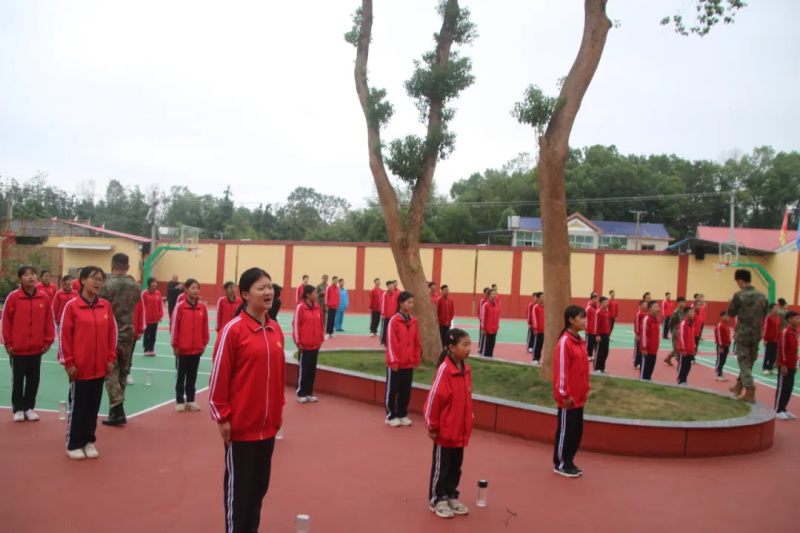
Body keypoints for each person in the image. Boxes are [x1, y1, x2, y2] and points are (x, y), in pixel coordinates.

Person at [208, 268, 285, 533]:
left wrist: (279, 409)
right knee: (239, 493)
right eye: (261, 288)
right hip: (241, 428)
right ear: (245, 294)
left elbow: (278, 376)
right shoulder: (233, 331)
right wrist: (222, 417)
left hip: (268, 427)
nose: (268, 292)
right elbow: (219, 376)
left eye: (270, 287)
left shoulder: (275, 329)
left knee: (258, 489)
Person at [59, 266, 117, 459]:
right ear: (83, 280)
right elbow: (64, 336)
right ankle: (74, 443)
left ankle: (88, 441)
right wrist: (68, 362)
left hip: (99, 367)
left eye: (101, 279)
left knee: (93, 407)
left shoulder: (105, 306)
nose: (98, 282)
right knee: (79, 407)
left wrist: (110, 358)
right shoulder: (72, 306)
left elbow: (112, 334)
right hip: (80, 368)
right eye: (94, 278)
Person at [425, 328, 473, 519]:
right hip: (445, 431)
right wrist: (432, 426)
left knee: (455, 466)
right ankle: (437, 498)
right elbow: (434, 399)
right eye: (465, 345)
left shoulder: (466, 370)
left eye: (470, 344)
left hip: (460, 430)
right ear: (452, 348)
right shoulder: (445, 371)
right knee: (442, 467)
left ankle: (451, 495)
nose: (469, 348)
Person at [3, 265, 55, 422]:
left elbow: (49, 320)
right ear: (20, 279)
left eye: (33, 274)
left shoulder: (43, 298)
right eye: (26, 275)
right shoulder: (13, 298)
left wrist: (48, 341)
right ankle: (18, 409)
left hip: (36, 349)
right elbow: (6, 322)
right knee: (18, 380)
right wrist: (8, 343)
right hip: (18, 349)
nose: (30, 277)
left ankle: (29, 408)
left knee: (33, 380)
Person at [98, 253, 142, 427]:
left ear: (112, 265)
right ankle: (115, 410)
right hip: (128, 333)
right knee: (123, 371)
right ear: (128, 267)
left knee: (110, 371)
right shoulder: (136, 287)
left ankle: (117, 407)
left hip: (111, 333)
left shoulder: (106, 286)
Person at [553, 305, 590, 478]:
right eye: (581, 317)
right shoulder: (565, 342)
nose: (584, 321)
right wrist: (564, 394)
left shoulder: (580, 341)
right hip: (568, 399)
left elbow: (583, 368)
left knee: (576, 432)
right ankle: (560, 463)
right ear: (571, 320)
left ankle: (569, 461)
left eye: (585, 317)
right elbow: (562, 370)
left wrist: (586, 387)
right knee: (565, 431)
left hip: (579, 396)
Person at [727, 269, 769, 403]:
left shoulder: (739, 295)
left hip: (743, 333)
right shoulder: (762, 296)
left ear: (740, 281)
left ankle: (750, 389)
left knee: (743, 362)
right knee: (749, 361)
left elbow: (731, 313)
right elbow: (764, 314)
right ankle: (738, 386)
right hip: (756, 333)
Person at [171, 279, 210, 412]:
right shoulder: (180, 307)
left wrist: (204, 343)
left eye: (197, 288)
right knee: (180, 376)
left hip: (197, 349)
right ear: (186, 290)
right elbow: (174, 327)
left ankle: (191, 400)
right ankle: (180, 400)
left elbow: (205, 326)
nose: (195, 290)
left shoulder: (202, 308)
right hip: (182, 349)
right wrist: (175, 345)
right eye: (193, 288)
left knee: (192, 376)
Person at [385, 291, 420, 427]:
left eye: (412, 302)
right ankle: (390, 415)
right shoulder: (394, 321)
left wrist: (416, 359)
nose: (411, 305)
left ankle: (402, 414)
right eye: (408, 302)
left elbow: (416, 342)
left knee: (406, 391)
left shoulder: (413, 321)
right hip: (396, 364)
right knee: (392, 390)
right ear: (401, 303)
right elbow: (391, 342)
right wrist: (393, 361)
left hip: (408, 363)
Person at [293, 285, 324, 403]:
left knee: (312, 370)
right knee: (304, 370)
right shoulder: (300, 308)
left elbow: (321, 324)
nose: (316, 295)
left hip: (315, 345)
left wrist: (321, 339)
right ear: (308, 294)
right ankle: (301, 393)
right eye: (314, 292)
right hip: (304, 345)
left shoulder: (317, 307)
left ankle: (309, 393)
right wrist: (298, 342)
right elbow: (296, 325)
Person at [775, 311, 799, 420]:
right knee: (782, 388)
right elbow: (782, 349)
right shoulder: (785, 332)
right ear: (789, 319)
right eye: (796, 318)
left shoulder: (794, 332)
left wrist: (795, 364)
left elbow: (794, 350)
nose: (799, 320)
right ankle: (777, 410)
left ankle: (783, 409)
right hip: (785, 365)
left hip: (792, 365)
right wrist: (782, 364)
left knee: (789, 388)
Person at [141, 277, 164, 356]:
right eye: (153, 282)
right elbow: (141, 306)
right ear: (149, 283)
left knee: (153, 335)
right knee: (147, 334)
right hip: (147, 319)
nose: (154, 284)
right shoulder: (144, 293)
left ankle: (151, 349)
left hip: (155, 319)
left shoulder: (158, 293)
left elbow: (160, 304)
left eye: (155, 282)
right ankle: (146, 349)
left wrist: (160, 315)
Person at [640, 301, 660, 380]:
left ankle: (648, 379)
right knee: (645, 371)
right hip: (647, 350)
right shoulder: (646, 319)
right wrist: (644, 348)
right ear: (650, 309)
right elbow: (644, 334)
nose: (657, 309)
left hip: (654, 349)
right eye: (655, 307)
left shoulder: (656, 320)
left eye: (658, 306)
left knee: (650, 368)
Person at [665, 297, 687, 366]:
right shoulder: (676, 312)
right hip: (676, 331)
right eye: (682, 302)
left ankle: (668, 358)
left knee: (679, 347)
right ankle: (680, 363)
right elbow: (671, 323)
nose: (684, 304)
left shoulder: (684, 311)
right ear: (678, 303)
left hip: (682, 332)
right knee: (677, 348)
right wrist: (673, 330)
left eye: (685, 302)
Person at [677, 307, 697, 385]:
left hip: (690, 350)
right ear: (686, 314)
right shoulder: (683, 324)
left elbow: (692, 337)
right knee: (682, 365)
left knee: (688, 366)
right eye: (691, 312)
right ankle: (680, 380)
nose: (693, 314)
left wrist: (694, 347)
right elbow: (681, 337)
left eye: (693, 312)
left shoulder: (692, 324)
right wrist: (683, 349)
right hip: (684, 350)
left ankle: (684, 380)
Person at [479, 289, 500, 358]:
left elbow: (497, 317)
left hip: (494, 330)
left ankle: (490, 358)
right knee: (486, 347)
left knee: (492, 345)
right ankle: (484, 359)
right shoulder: (485, 305)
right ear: (488, 296)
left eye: (495, 294)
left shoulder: (497, 305)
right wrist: (483, 328)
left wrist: (497, 327)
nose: (494, 296)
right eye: (493, 294)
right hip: (487, 330)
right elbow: (483, 317)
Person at [593, 297, 612, 373]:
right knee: (599, 352)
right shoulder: (598, 312)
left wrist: (609, 333)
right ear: (601, 303)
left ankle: (602, 368)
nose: (607, 304)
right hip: (600, 334)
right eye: (605, 302)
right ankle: (597, 368)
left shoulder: (607, 312)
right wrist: (597, 335)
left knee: (605, 351)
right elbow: (596, 324)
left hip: (606, 334)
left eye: (607, 302)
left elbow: (609, 324)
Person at [762, 303, 781, 375]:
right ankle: (765, 368)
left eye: (777, 308)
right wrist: (765, 339)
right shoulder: (769, 318)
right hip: (769, 340)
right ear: (771, 309)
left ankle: (770, 368)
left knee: (773, 355)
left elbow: (779, 329)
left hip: (776, 340)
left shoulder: (778, 318)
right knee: (768, 354)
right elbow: (766, 328)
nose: (776, 309)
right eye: (775, 308)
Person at [714, 311, 732, 382]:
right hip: (721, 346)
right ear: (722, 317)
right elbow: (718, 336)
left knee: (723, 360)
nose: (728, 318)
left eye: (728, 317)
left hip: (726, 345)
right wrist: (720, 346)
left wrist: (728, 344)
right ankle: (718, 374)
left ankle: (721, 373)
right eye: (726, 316)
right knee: (720, 360)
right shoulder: (720, 325)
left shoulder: (726, 325)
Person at [380, 280, 398, 346]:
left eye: (392, 285)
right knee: (385, 328)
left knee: (392, 329)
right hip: (386, 315)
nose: (391, 286)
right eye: (390, 285)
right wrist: (383, 313)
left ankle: (390, 341)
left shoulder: (395, 294)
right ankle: (383, 341)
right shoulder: (385, 294)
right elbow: (383, 304)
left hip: (393, 315)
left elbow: (396, 304)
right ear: (387, 286)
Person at [632, 300, 648, 369]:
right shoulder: (639, 314)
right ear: (641, 306)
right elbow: (636, 324)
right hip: (639, 334)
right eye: (645, 304)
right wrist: (637, 334)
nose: (646, 306)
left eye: (646, 304)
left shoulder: (647, 313)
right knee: (638, 349)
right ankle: (636, 363)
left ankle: (642, 362)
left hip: (645, 335)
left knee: (644, 348)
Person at [691, 294, 707, 359]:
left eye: (700, 305)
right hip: (692, 333)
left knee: (696, 346)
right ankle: (691, 357)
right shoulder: (693, 314)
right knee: (692, 346)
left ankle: (693, 357)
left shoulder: (699, 313)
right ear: (695, 306)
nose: (699, 307)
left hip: (698, 332)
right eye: (698, 305)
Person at [585, 294, 599, 361]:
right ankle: (588, 355)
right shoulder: (588, 308)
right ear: (591, 300)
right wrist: (586, 328)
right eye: (595, 299)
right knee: (589, 343)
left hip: (596, 330)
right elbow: (586, 319)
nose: (596, 300)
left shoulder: (598, 308)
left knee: (595, 344)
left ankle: (592, 355)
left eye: (597, 299)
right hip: (590, 329)